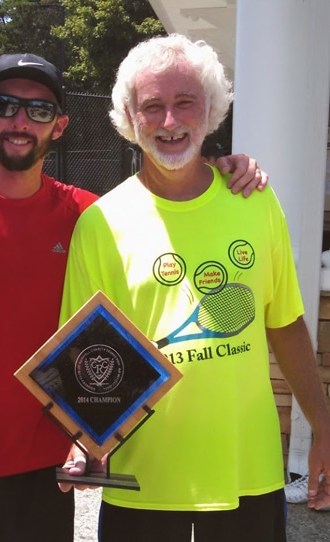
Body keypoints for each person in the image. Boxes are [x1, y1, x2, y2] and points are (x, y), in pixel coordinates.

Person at [0, 51, 267, 542]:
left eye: (40, 110)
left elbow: (114, 321)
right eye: (5, 105)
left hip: (43, 470)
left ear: (60, 126)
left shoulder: (88, 217)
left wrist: (224, 168)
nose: (21, 121)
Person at [58, 34, 330, 542]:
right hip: (142, 483)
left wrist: (323, 427)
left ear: (212, 109)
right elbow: (84, 355)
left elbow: (286, 324)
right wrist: (83, 440)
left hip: (247, 475)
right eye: (152, 107)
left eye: (185, 102)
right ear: (129, 118)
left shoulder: (255, 201)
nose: (169, 121)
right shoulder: (99, 224)